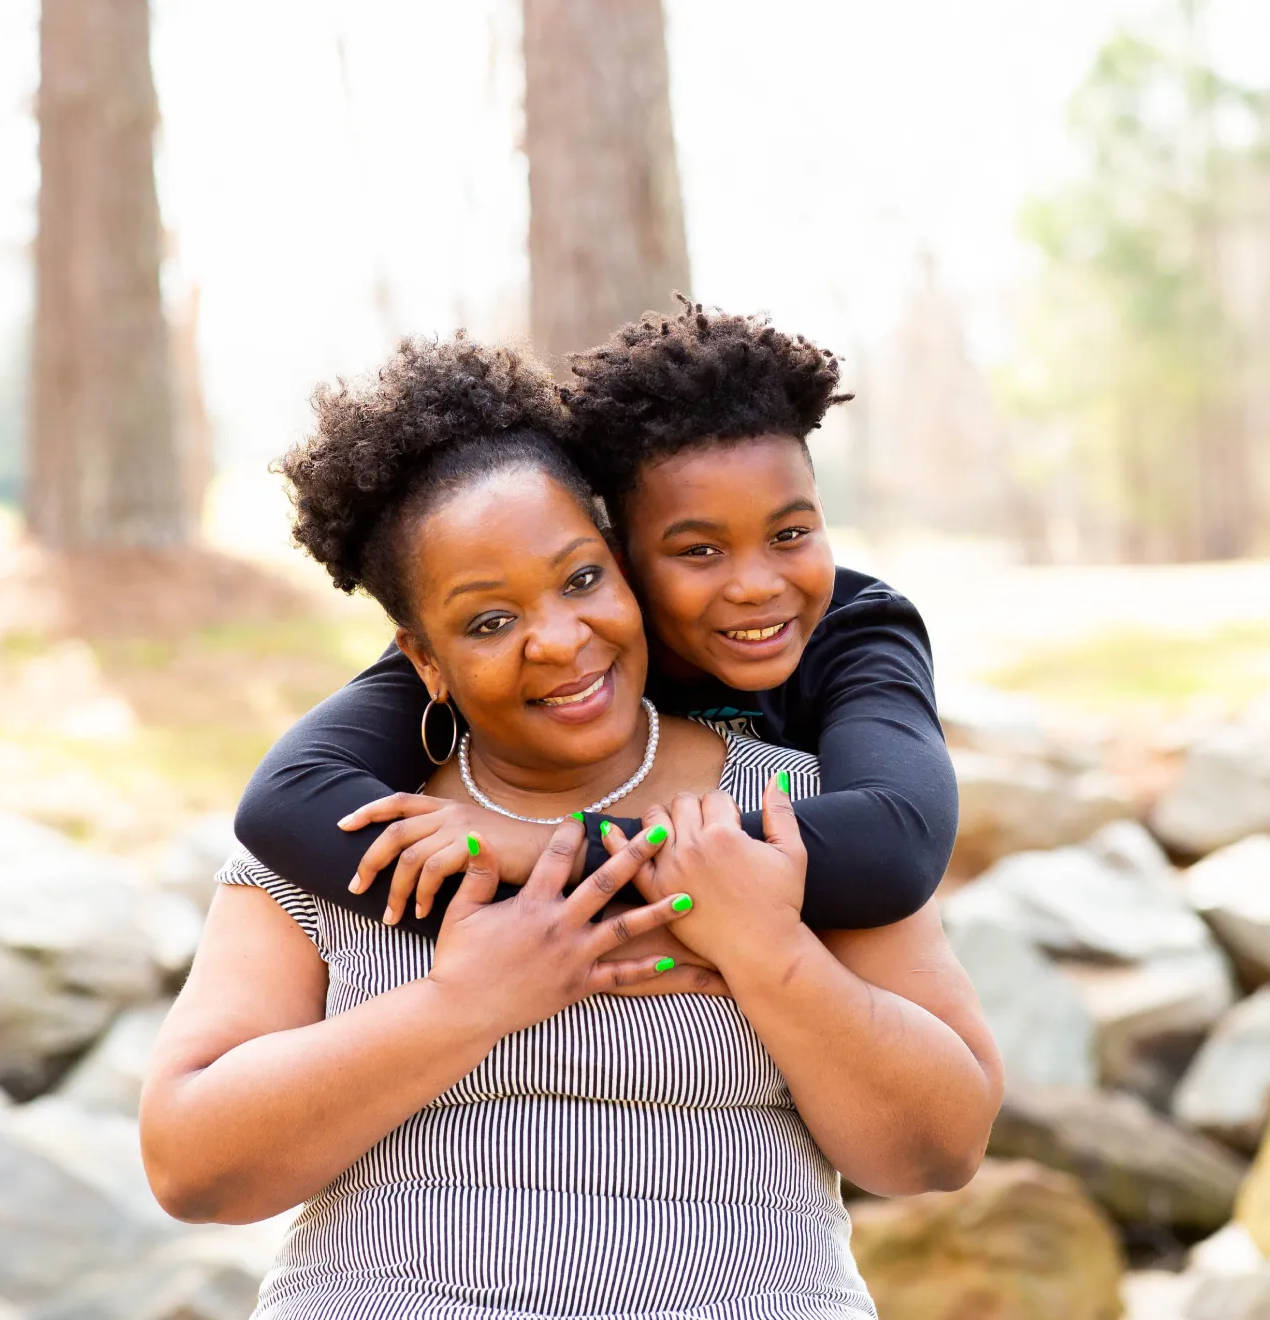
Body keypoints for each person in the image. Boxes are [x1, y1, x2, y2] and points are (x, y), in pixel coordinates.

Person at [139, 336, 1002, 1319]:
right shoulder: (351, 829)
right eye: (488, 622)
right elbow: (189, 1168)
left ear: (623, 567)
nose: (557, 639)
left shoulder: (795, 812)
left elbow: (942, 1148)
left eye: (582, 580)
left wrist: (770, 955)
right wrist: (460, 1004)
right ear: (423, 659)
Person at [233, 301, 957, 933]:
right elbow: (287, 803)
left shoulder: (855, 628)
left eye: (791, 535)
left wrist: (547, 847)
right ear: (621, 556)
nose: (755, 586)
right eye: (698, 549)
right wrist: (567, 918)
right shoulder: (546, 638)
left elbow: (894, 847)